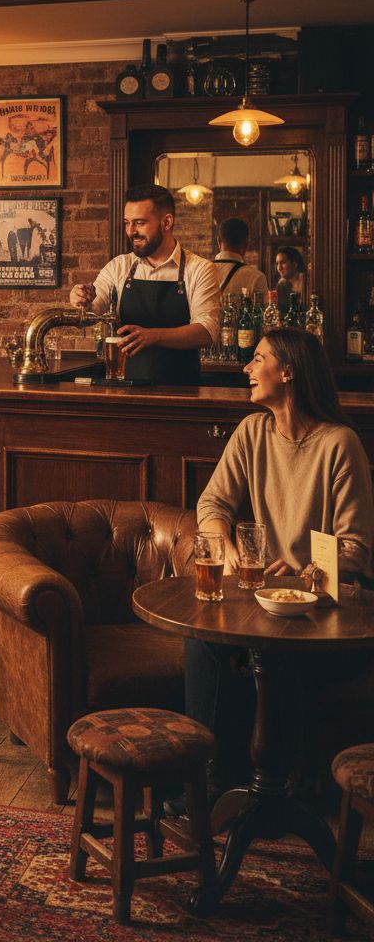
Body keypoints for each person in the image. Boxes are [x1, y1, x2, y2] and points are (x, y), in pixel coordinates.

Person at [186, 327, 374, 795]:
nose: (247, 368)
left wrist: (299, 573)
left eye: (258, 358)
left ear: (287, 372)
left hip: (328, 616)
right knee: (203, 641)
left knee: (269, 656)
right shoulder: (252, 432)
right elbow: (211, 506)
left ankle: (278, 791)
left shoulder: (340, 444)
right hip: (266, 607)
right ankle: (205, 784)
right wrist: (227, 550)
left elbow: (355, 551)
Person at [70, 184, 219, 385]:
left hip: (182, 393)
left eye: (139, 223)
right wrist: (80, 298)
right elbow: (93, 311)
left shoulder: (200, 269)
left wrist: (153, 335)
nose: (131, 231)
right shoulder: (119, 267)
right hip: (127, 390)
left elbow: (206, 331)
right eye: (127, 223)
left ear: (167, 222)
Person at [212, 217, 268, 298]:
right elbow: (261, 309)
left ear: (218, 241)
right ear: (246, 244)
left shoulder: (201, 272)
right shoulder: (257, 277)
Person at [274, 246, 306, 311]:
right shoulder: (282, 284)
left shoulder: (306, 281)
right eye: (277, 263)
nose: (279, 268)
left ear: (294, 263)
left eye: (283, 263)